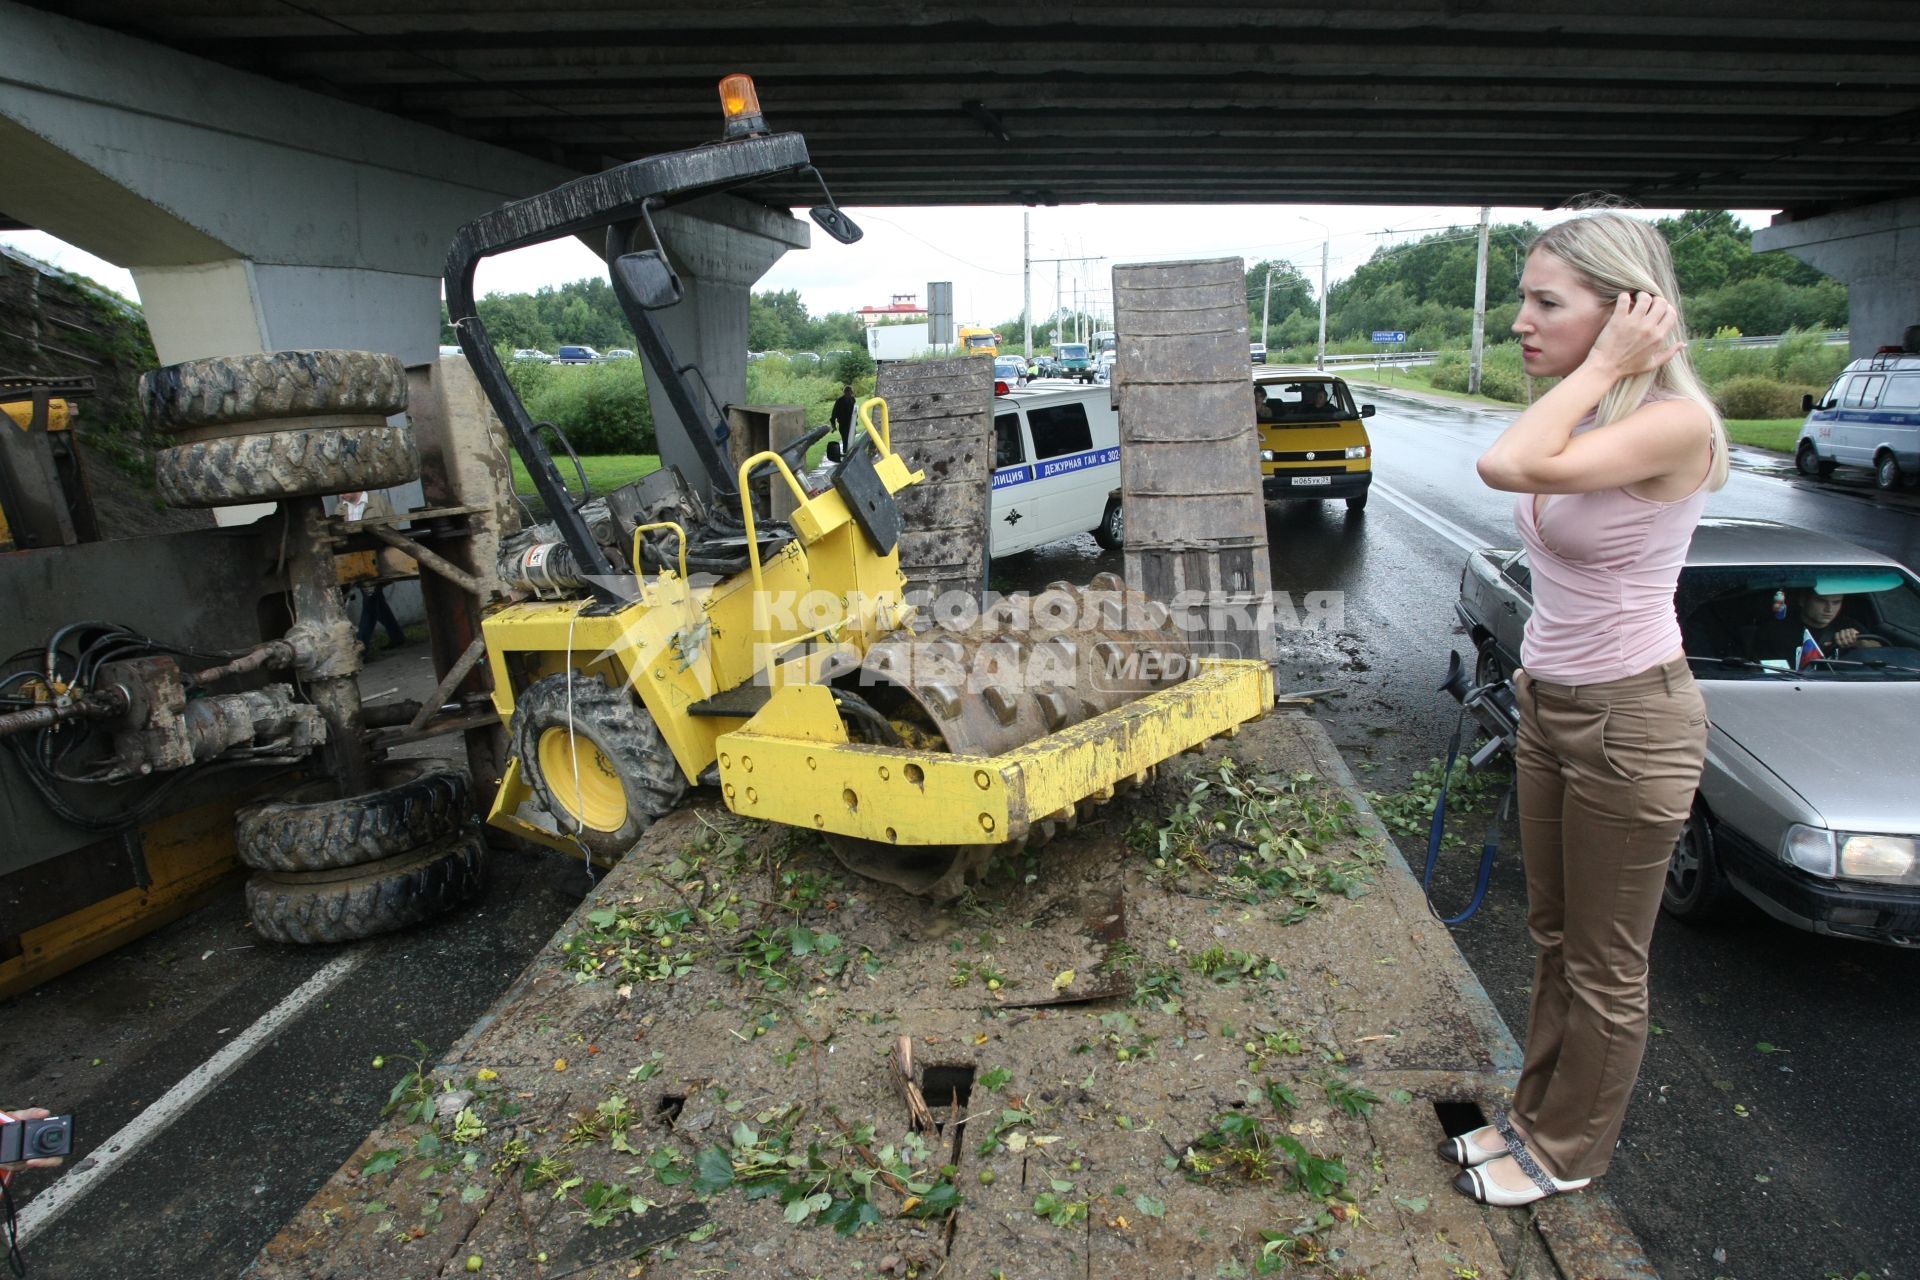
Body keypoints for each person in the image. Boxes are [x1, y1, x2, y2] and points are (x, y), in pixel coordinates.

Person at [1452, 211, 1728, 1207]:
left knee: (1607, 966)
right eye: (1523, 296)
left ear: (1625, 315)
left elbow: (1505, 462)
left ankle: (1568, 1151)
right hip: (1554, 703)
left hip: (1630, 716)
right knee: (1554, 936)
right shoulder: (1599, 418)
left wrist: (1603, 364)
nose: (1520, 321)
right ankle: (1531, 1117)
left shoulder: (1673, 421)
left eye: (1546, 302)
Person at [339, 492, 407, 652]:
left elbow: (392, 526)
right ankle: (397, 636)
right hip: (356, 559)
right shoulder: (341, 507)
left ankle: (362, 646)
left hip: (379, 555)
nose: (341, 496)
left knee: (370, 599)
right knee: (375, 599)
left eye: (344, 492)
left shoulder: (376, 500)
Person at [1749, 589, 1883, 665]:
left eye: (1836, 602)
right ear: (1803, 601)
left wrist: (1861, 642)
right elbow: (1761, 671)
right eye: (1821, 601)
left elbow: (1882, 656)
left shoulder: (1850, 626)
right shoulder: (1774, 631)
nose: (1829, 609)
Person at [830, 383, 857, 447]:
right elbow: (834, 414)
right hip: (843, 425)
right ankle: (846, 453)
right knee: (846, 441)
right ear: (845, 392)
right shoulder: (839, 401)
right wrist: (833, 426)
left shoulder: (853, 399)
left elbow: (854, 411)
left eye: (851, 392)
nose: (850, 393)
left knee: (852, 440)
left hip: (852, 424)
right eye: (849, 392)